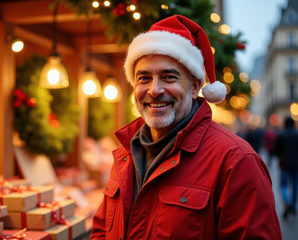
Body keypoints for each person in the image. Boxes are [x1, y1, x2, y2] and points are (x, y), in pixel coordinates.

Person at [91, 15, 281, 239]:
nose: (154, 90)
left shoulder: (236, 161)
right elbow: (101, 231)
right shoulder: (125, 153)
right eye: (144, 78)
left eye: (168, 77)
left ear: (194, 87)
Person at [273, 116, 298, 219]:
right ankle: (293, 207)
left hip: (284, 164)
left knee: (283, 185)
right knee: (295, 186)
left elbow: (275, 150)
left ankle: (287, 201)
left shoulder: (281, 135)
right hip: (296, 164)